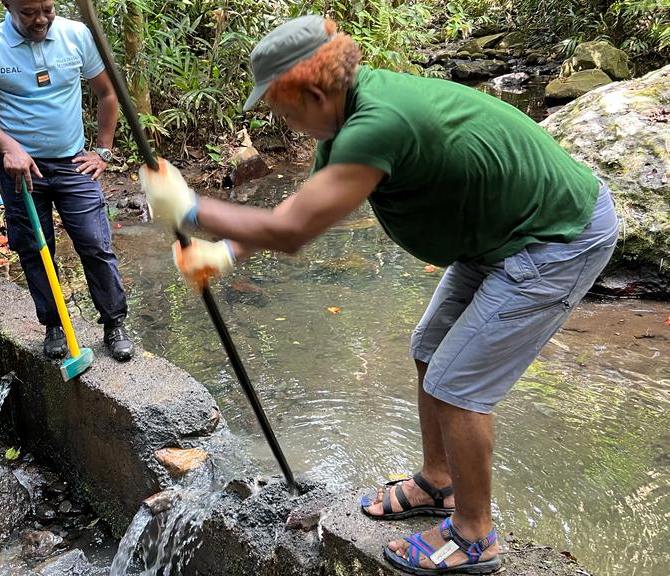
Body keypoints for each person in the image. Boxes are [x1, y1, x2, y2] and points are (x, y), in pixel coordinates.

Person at [140, 15, 618, 575]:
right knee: (429, 347)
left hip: (556, 238)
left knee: (457, 386)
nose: (283, 122)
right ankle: (438, 482)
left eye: (282, 110)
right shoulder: (345, 119)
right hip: (495, 238)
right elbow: (297, 214)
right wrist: (221, 254)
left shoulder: (378, 123)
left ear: (315, 93)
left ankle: (474, 536)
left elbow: (290, 234)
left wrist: (190, 207)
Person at [0, 0, 134, 361]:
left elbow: (106, 92)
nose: (40, 20)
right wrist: (10, 148)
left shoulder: (75, 35)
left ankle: (114, 323)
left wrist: (102, 150)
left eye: (48, 10)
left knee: (94, 242)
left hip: (73, 164)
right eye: (28, 13)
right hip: (20, 170)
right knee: (34, 249)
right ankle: (54, 325)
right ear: (8, 5)